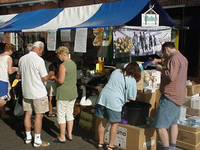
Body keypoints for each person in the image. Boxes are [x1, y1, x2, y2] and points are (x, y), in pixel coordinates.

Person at [95, 62, 141, 150]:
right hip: (114, 102)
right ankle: (110, 146)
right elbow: (132, 98)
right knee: (114, 124)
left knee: (102, 122)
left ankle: (100, 143)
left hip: (103, 98)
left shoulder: (116, 72)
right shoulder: (132, 80)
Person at [151, 42, 188, 150]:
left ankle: (167, 148)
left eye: (163, 52)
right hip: (179, 95)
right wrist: (158, 60)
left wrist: (160, 69)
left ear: (166, 49)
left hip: (170, 96)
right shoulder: (182, 58)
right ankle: (172, 146)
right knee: (173, 123)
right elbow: (166, 60)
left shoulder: (173, 60)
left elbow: (171, 76)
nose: (163, 56)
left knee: (160, 126)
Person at [17, 41, 54, 147]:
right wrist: (51, 73)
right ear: (40, 49)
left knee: (28, 114)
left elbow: (19, 76)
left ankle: (28, 137)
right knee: (39, 115)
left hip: (26, 91)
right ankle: (37, 139)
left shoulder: (22, 59)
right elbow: (45, 78)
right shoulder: (39, 60)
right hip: (38, 92)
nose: (42, 52)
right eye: (42, 50)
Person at [51, 46, 78, 143]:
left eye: (58, 55)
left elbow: (61, 81)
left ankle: (62, 136)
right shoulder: (73, 63)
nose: (58, 57)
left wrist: (54, 78)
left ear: (62, 54)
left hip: (64, 93)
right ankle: (69, 134)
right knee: (70, 114)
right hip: (73, 92)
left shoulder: (63, 65)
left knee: (61, 115)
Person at [0, 43, 18, 119]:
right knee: (3, 98)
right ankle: (3, 113)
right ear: (10, 50)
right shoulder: (8, 58)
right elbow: (10, 71)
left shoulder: (0, 56)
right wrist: (16, 69)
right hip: (3, 78)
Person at [44, 51, 57, 117]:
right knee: (50, 98)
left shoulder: (43, 62)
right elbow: (52, 74)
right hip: (51, 82)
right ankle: (50, 111)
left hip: (45, 82)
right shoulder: (50, 64)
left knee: (45, 97)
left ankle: (44, 110)